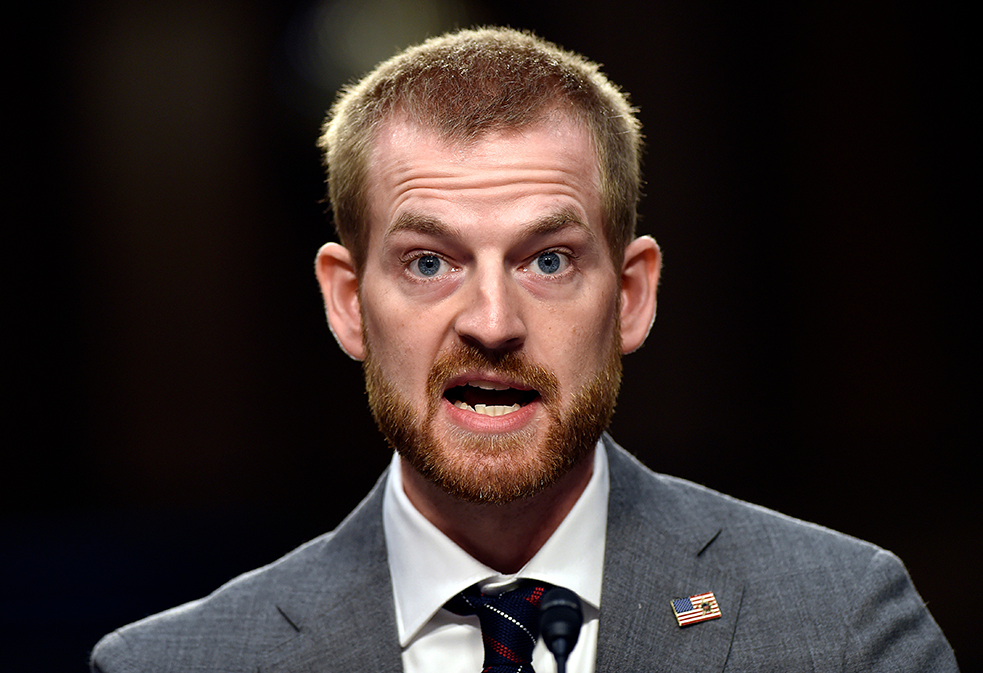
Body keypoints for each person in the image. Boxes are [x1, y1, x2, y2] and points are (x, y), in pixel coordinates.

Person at [90, 27, 957, 672]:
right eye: (429, 262)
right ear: (349, 304)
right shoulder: (173, 664)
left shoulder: (843, 623)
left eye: (548, 259)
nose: (493, 321)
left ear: (630, 295)